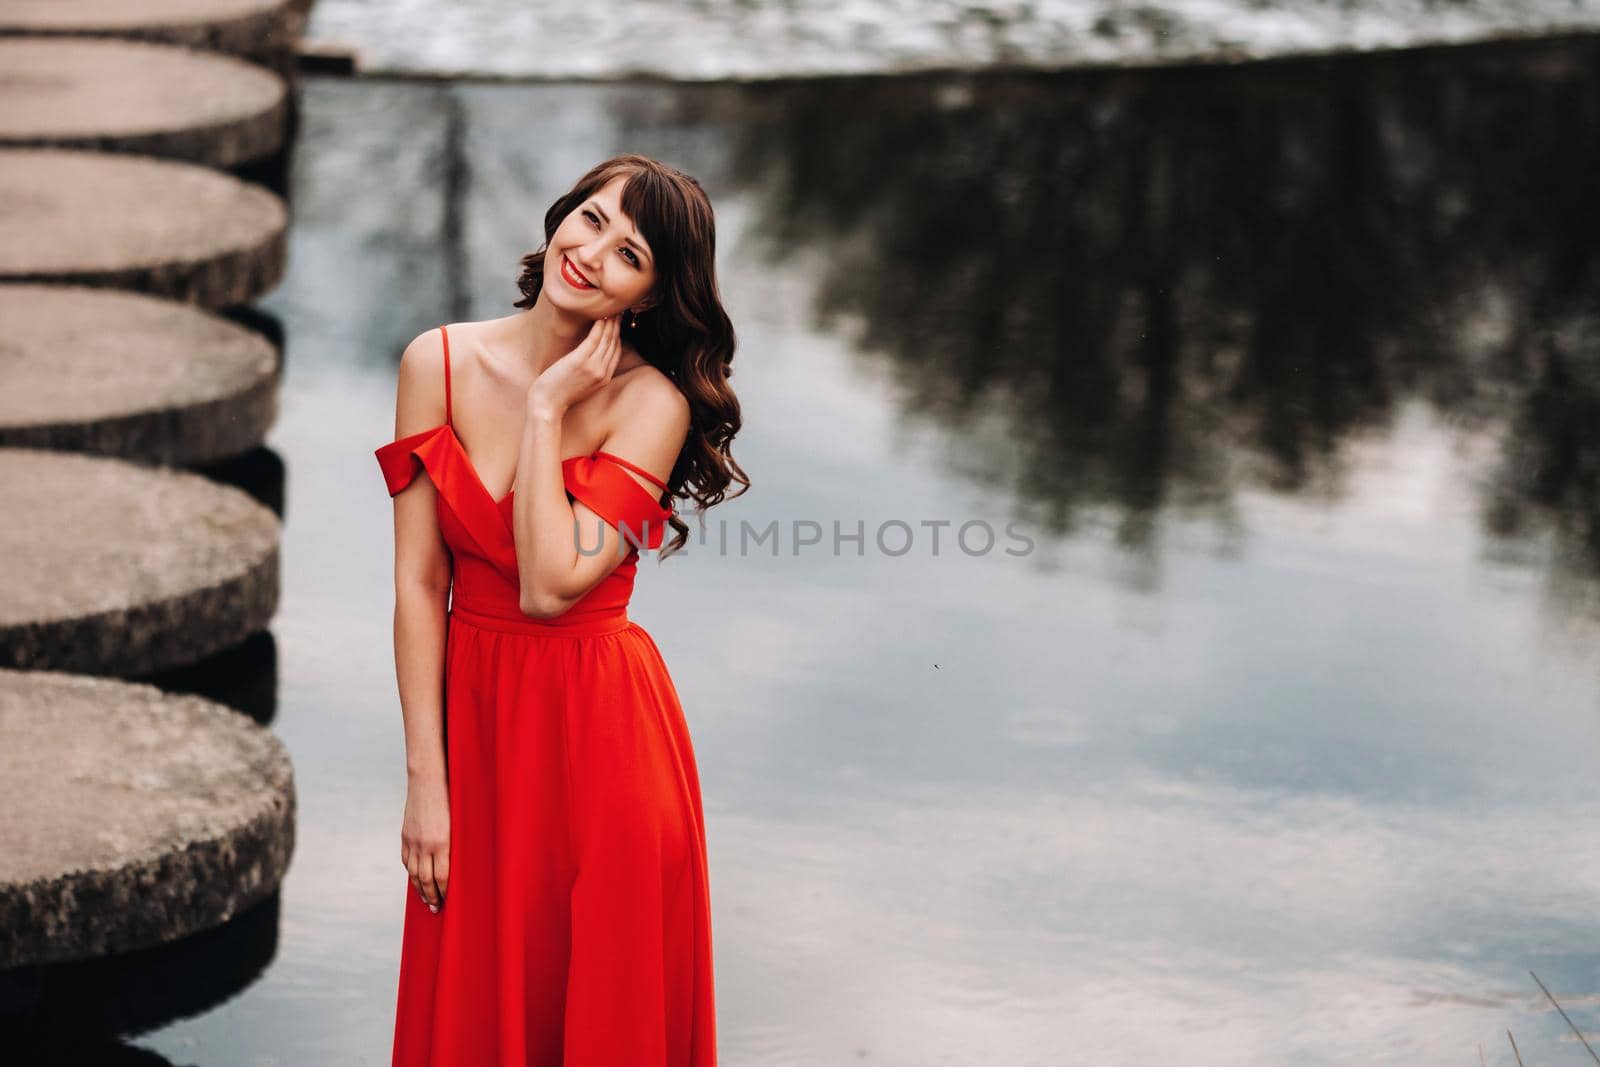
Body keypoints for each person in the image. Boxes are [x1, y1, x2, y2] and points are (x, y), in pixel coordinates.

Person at [374, 154, 746, 1065]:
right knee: (474, 1008)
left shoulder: (651, 404)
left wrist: (546, 408)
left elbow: (546, 585)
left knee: (600, 1022)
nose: (592, 253)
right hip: (482, 737)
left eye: (630, 254)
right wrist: (428, 779)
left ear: (649, 299)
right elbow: (420, 584)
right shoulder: (439, 362)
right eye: (591, 219)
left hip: (603, 746)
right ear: (560, 216)